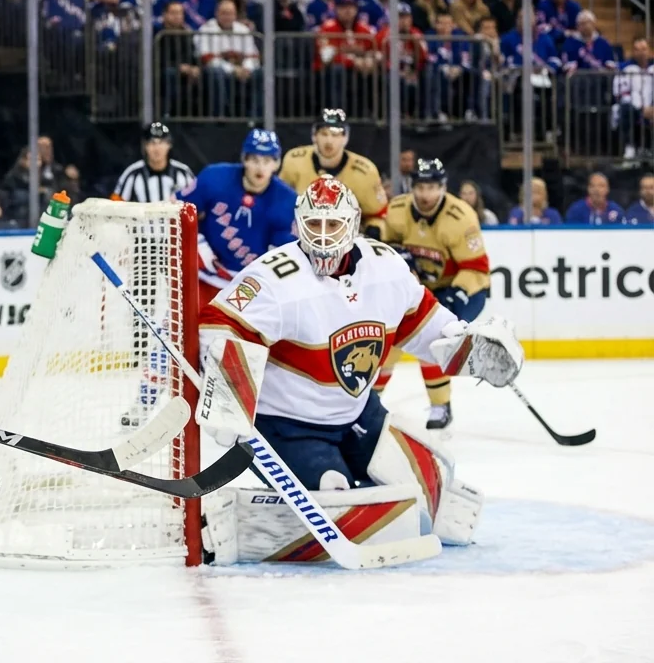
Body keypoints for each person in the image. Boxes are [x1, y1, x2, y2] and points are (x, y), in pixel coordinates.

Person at [196, 176, 521, 559]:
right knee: (337, 498)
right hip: (287, 426)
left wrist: (467, 345)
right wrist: (228, 392)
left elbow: (425, 323)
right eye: (314, 225)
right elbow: (218, 326)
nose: (323, 236)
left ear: (352, 224)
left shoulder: (386, 267)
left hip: (358, 415)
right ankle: (236, 527)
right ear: (298, 225)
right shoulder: (274, 278)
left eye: (333, 224)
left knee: (428, 486)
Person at [376, 159, 491, 430]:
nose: (425, 194)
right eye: (420, 187)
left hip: (461, 289)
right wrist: (401, 261)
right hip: (419, 289)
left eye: (432, 187)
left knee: (435, 340)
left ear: (443, 187)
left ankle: (441, 405)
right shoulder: (398, 209)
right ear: (412, 186)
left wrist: (455, 295)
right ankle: (370, 401)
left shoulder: (460, 217)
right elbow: (385, 247)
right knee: (389, 341)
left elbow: (477, 268)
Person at [180, 129, 296, 305]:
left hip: (250, 285)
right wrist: (198, 243)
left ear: (276, 163)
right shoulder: (214, 177)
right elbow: (176, 209)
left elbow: (284, 254)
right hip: (203, 277)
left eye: (267, 161)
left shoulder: (287, 201)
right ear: (245, 159)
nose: (260, 167)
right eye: (255, 159)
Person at [280, 108, 389, 240]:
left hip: (346, 241)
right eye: (324, 133)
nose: (329, 140)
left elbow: (378, 216)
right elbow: (280, 204)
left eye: (335, 134)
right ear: (314, 136)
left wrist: (373, 231)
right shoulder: (294, 161)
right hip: (301, 236)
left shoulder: (365, 171)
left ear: (345, 138)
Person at [113, 122, 195, 203]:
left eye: (161, 142)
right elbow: (115, 205)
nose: (157, 148)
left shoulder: (184, 172)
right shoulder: (132, 174)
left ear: (169, 145)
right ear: (145, 146)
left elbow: (197, 202)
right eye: (152, 143)